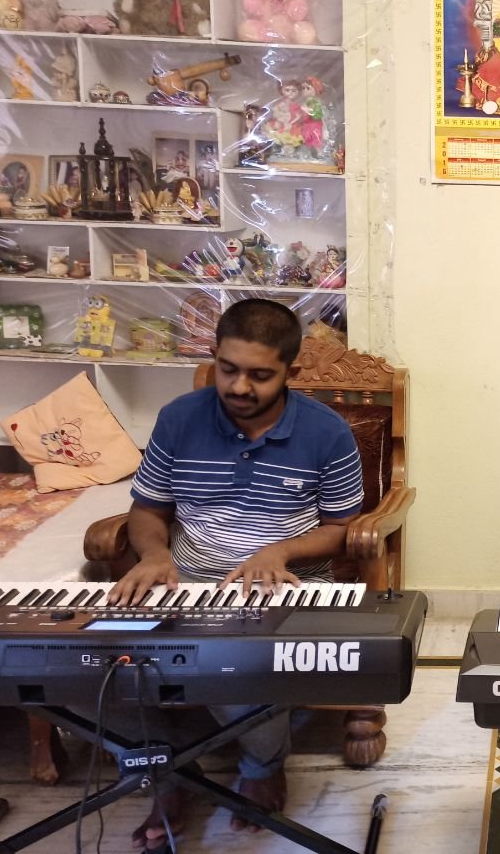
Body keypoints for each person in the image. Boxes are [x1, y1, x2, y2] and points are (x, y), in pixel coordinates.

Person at [107, 298, 364, 847]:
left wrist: (281, 551)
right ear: (214, 356)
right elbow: (147, 508)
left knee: (242, 665)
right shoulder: (179, 418)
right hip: (186, 579)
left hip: (284, 586)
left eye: (260, 375)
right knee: (93, 670)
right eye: (228, 369)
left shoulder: (328, 432)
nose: (239, 387)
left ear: (291, 370)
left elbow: (343, 527)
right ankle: (167, 774)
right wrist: (154, 555)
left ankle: (260, 767)